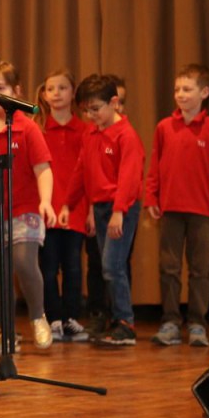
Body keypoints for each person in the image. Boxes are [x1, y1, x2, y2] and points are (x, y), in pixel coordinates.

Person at [145, 64, 209, 348]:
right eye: (177, 89)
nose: (180, 94)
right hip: (170, 209)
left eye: (187, 89)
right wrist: (151, 197)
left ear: (204, 93)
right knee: (169, 267)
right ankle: (170, 321)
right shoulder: (164, 127)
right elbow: (155, 167)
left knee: (200, 269)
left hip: (202, 210)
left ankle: (197, 323)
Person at [0, 61, 55, 353]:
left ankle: (38, 317)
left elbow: (43, 169)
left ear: (15, 91)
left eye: (1, 88)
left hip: (25, 209)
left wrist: (45, 201)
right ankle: (7, 334)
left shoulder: (27, 128)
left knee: (23, 261)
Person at [61, 74, 145, 348]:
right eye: (86, 110)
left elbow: (130, 177)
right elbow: (81, 170)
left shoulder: (126, 136)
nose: (90, 115)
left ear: (114, 103)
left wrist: (119, 211)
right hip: (99, 206)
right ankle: (117, 320)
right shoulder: (91, 133)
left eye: (95, 109)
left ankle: (126, 323)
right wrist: (68, 203)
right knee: (106, 266)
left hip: (122, 207)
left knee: (113, 266)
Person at [36, 69, 90, 342]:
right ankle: (53, 318)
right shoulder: (38, 129)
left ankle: (70, 318)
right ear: (44, 95)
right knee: (47, 268)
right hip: (45, 210)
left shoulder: (85, 130)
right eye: (50, 89)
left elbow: (89, 173)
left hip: (75, 210)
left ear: (73, 93)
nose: (56, 93)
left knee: (73, 267)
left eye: (62, 88)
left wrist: (90, 211)